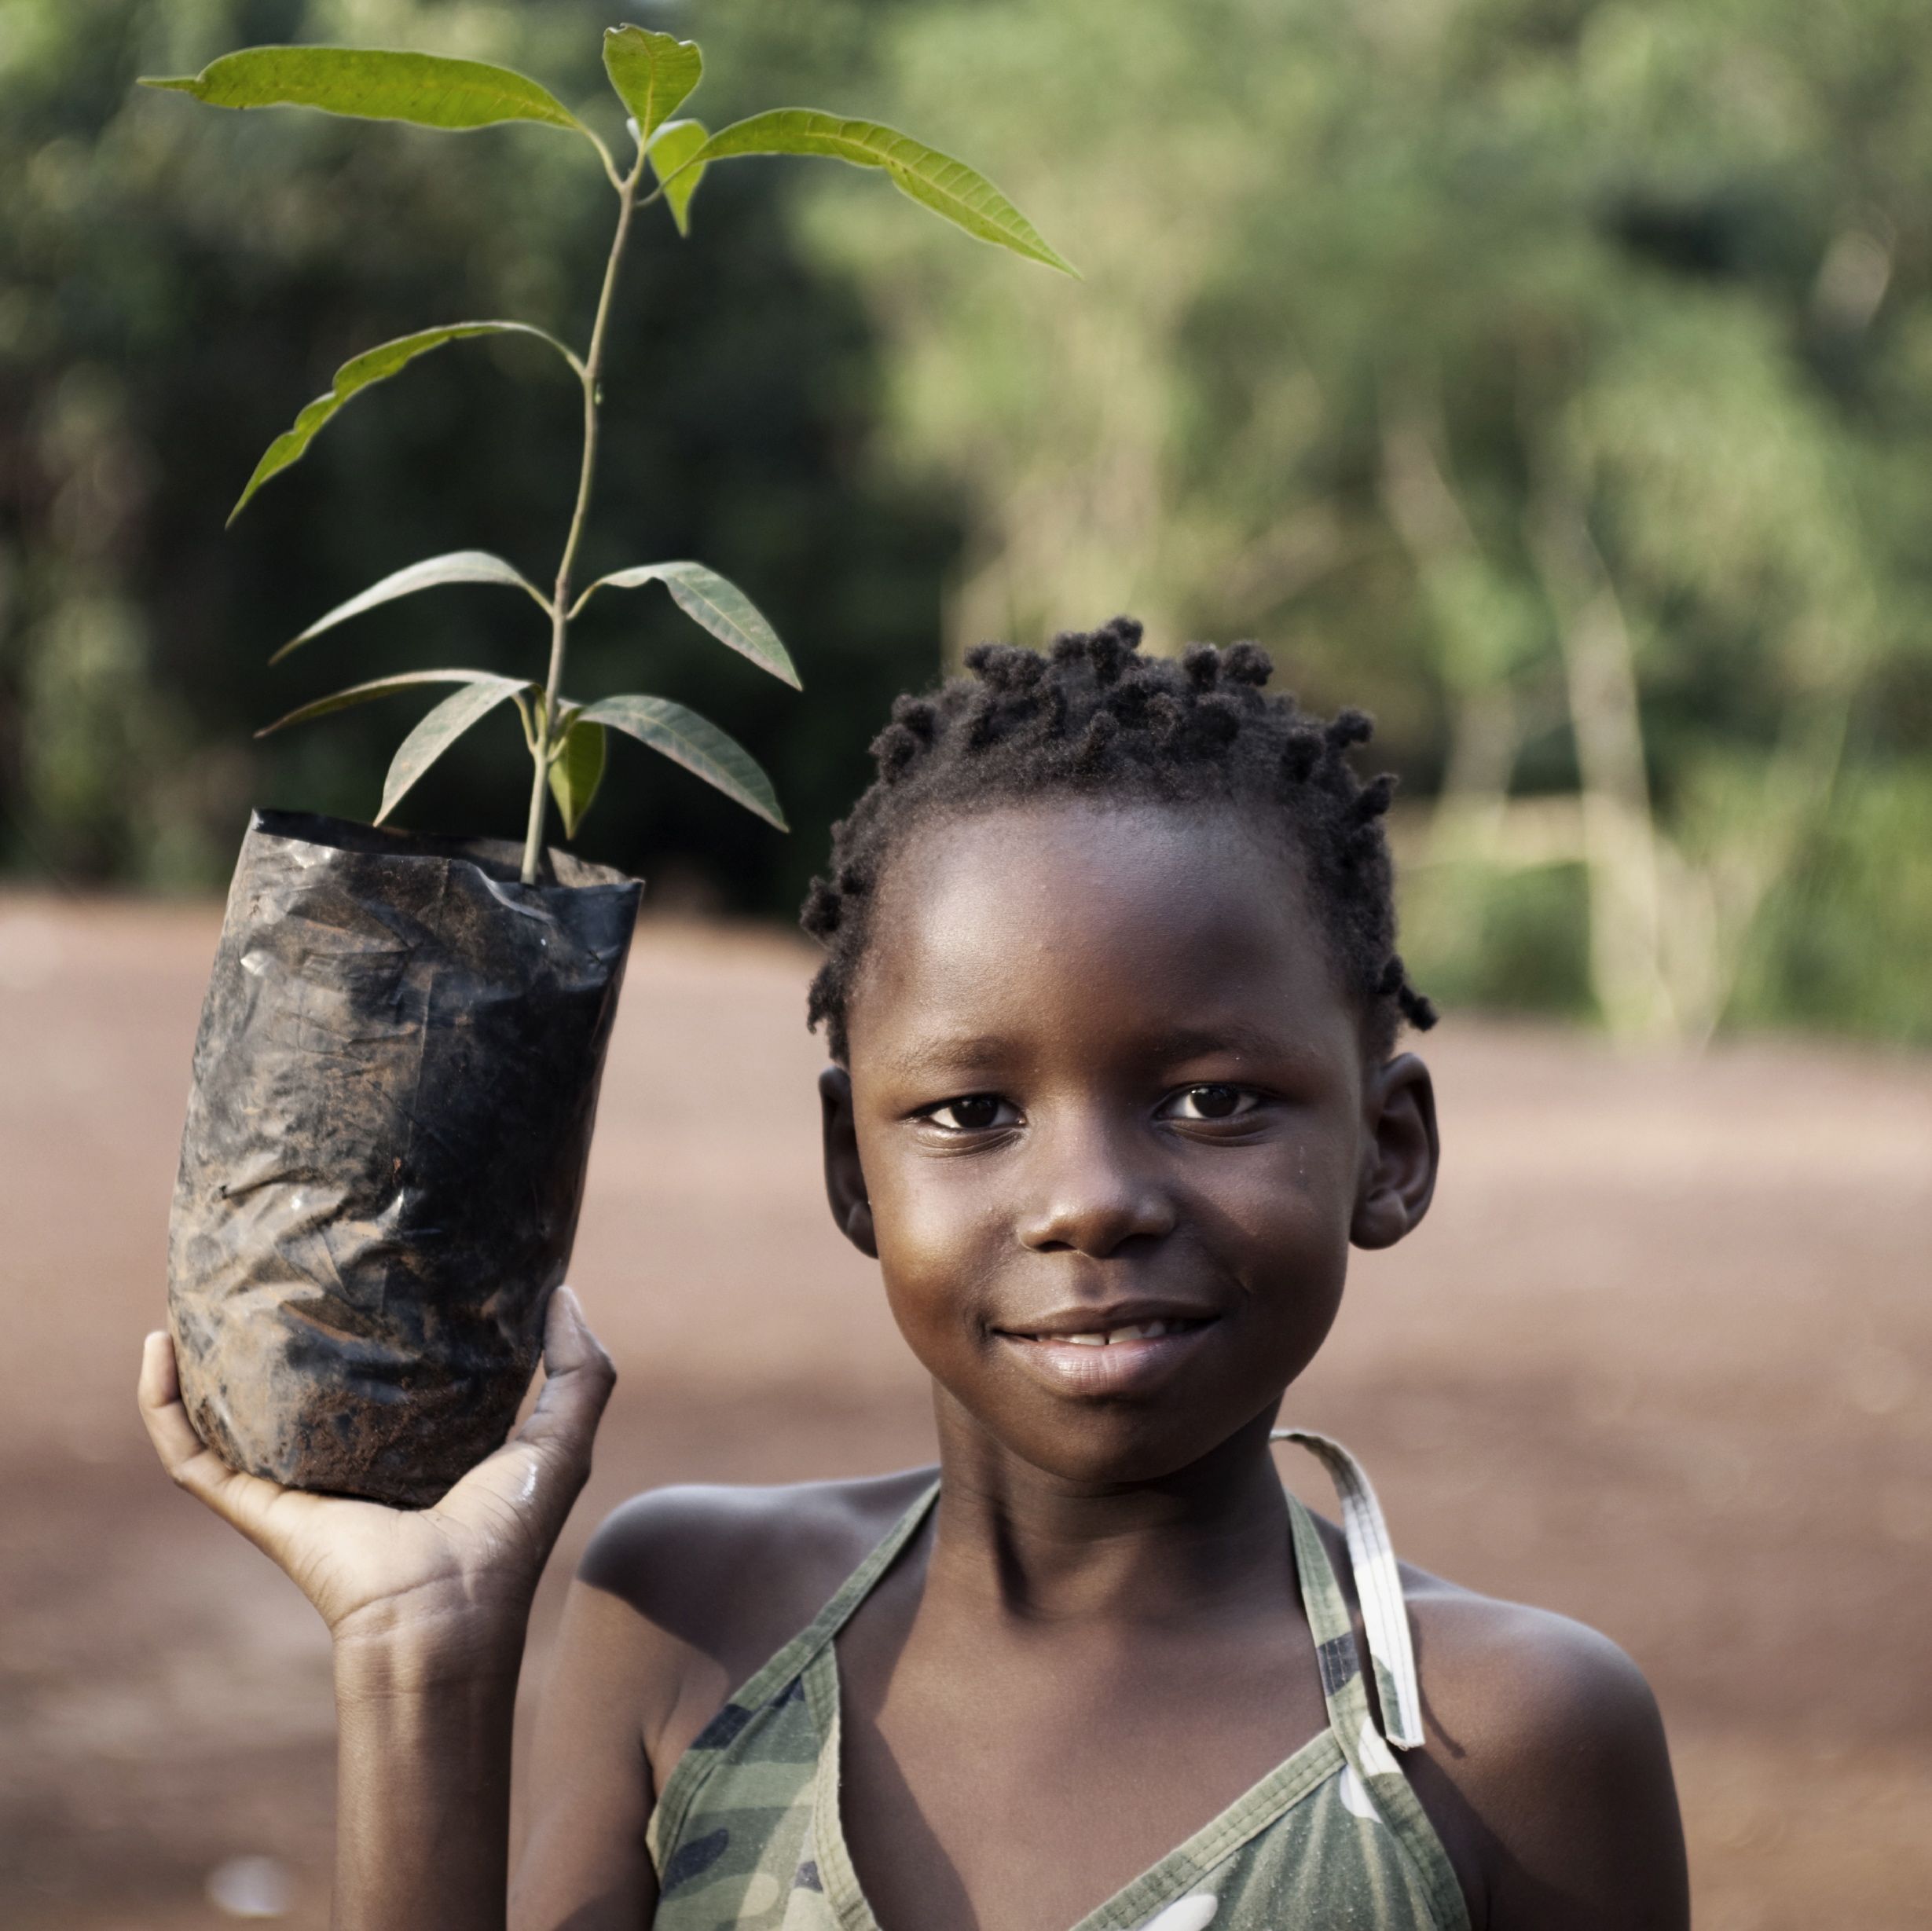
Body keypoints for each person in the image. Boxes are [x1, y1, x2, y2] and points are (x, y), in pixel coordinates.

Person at [139, 617, 1688, 1930]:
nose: (1090, 1200)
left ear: (1390, 1148)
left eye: (1213, 1098)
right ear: (850, 1170)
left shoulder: (1503, 1738)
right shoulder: (687, 1619)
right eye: (971, 1111)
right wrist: (421, 1653)